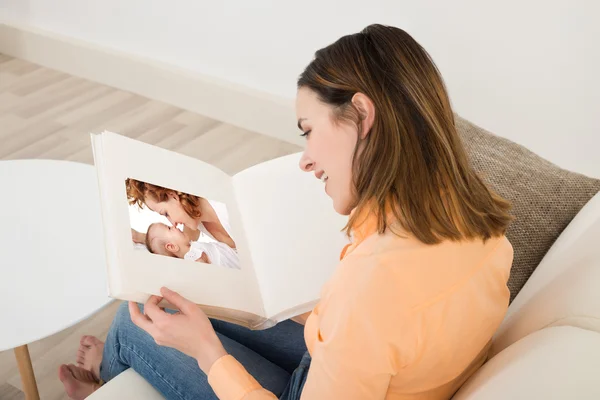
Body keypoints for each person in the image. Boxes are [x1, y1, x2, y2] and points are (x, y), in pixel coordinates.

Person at [59, 24, 514, 399]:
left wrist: (207, 353)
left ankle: (106, 377)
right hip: (352, 364)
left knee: (131, 319)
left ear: (361, 114)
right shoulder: (477, 222)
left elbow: (371, 309)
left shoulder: (375, 284)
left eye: (309, 131)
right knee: (176, 297)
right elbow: (380, 333)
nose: (306, 159)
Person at [127, 179, 236, 250]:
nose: (173, 223)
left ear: (173, 196)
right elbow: (183, 241)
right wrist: (143, 238)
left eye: (165, 213)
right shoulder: (197, 220)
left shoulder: (227, 209)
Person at [146, 222, 241, 269]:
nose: (174, 226)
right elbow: (203, 270)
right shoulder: (190, 257)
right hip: (232, 263)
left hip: (233, 255)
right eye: (169, 228)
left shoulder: (191, 246)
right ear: (172, 247)